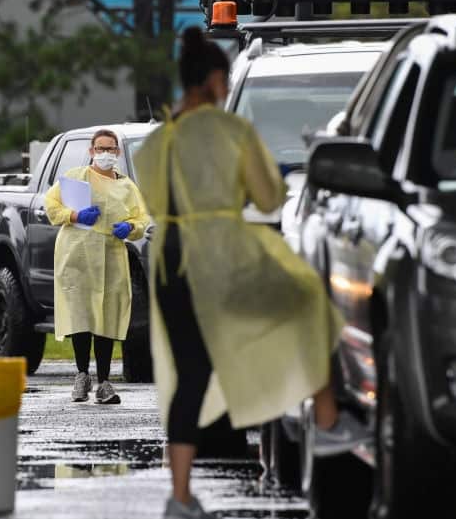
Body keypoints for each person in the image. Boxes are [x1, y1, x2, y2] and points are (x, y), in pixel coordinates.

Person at [133, 27, 366, 519]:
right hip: (221, 250)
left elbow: (153, 200)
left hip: (171, 258)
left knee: (190, 373)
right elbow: (266, 197)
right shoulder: (232, 132)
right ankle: (326, 419)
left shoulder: (158, 140)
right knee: (306, 301)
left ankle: (179, 496)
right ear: (217, 79)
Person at [44, 129, 150, 405]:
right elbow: (51, 205)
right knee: (80, 315)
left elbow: (142, 218)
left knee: (106, 315)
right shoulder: (77, 179)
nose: (105, 153)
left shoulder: (127, 186)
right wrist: (75, 214)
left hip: (110, 255)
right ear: (91, 151)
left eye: (110, 149)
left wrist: (131, 227)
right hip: (77, 253)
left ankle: (104, 381)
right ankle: (82, 375)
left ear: (117, 152)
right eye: (100, 148)